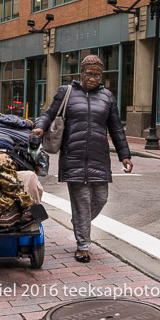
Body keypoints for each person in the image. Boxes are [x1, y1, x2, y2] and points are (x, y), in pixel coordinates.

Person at [30, 55, 133, 263]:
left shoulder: (107, 97)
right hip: (74, 156)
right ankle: (83, 246)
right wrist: (40, 127)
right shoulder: (66, 92)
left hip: (98, 157)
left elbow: (115, 129)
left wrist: (125, 155)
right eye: (89, 74)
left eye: (97, 75)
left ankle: (79, 221)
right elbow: (49, 114)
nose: (93, 79)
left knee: (101, 198)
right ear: (81, 73)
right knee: (82, 201)